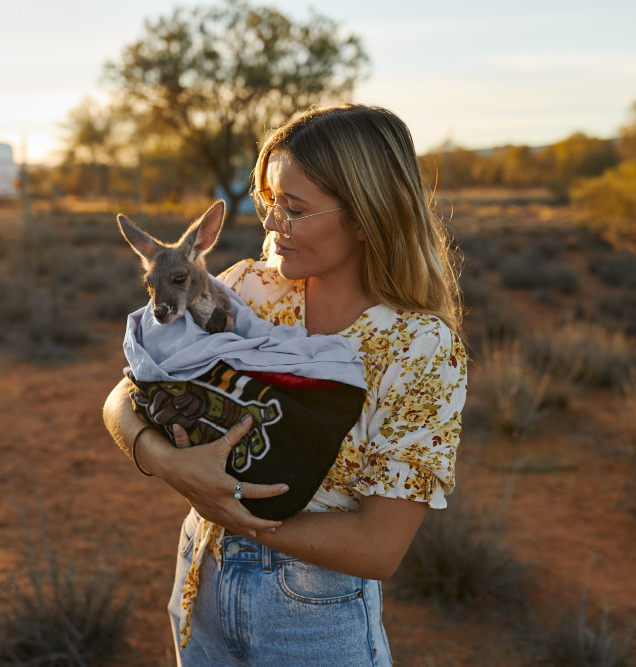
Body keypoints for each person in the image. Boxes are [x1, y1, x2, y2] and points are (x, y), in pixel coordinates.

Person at [103, 103, 467, 666]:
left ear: (367, 216)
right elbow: (126, 394)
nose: (271, 224)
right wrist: (163, 459)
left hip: (314, 617)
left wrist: (228, 508)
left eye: (293, 209)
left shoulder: (419, 346)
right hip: (202, 581)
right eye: (269, 202)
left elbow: (379, 546)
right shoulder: (245, 287)